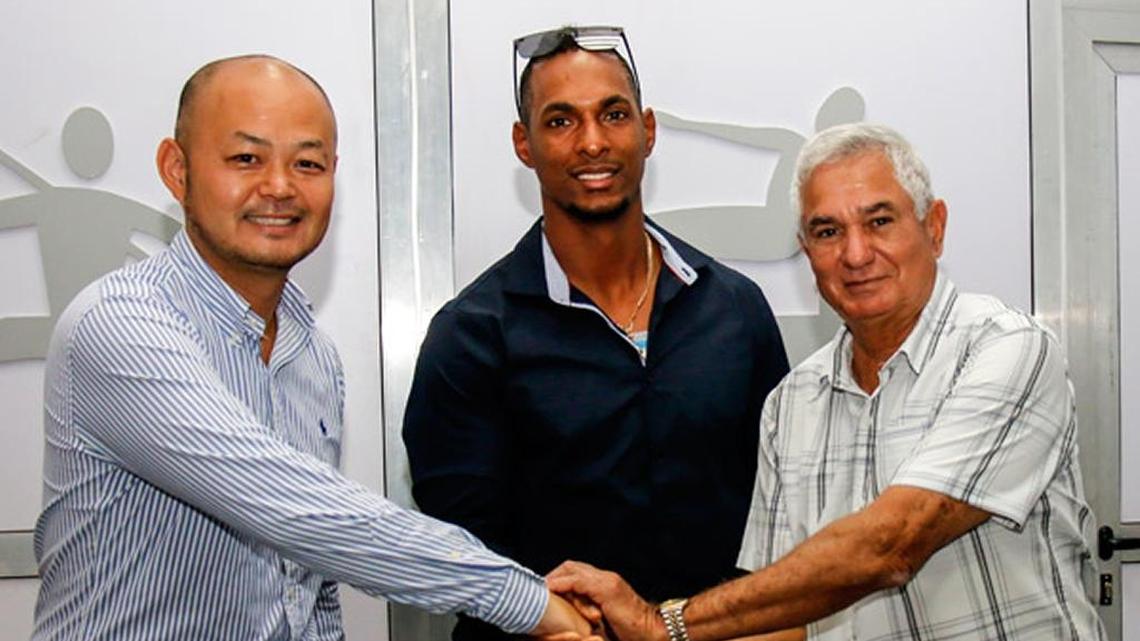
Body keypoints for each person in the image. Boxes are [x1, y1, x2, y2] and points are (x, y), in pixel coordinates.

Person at [32, 54, 597, 641]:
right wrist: (524, 599)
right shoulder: (120, 325)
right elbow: (296, 510)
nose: (279, 187)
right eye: (246, 158)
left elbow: (305, 590)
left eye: (307, 163)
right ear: (177, 170)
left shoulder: (312, 355)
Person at [547, 123, 1107, 641]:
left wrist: (661, 623)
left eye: (879, 221)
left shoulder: (1008, 349)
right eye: (828, 231)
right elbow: (786, 621)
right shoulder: (792, 404)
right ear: (806, 250)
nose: (856, 254)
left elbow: (893, 544)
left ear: (934, 227)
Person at [402, 25, 789, 641]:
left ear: (648, 130)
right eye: (560, 121)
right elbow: (467, 559)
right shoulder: (471, 338)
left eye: (613, 114)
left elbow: (779, 515)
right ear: (523, 144)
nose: (592, 142)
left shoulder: (735, 310)